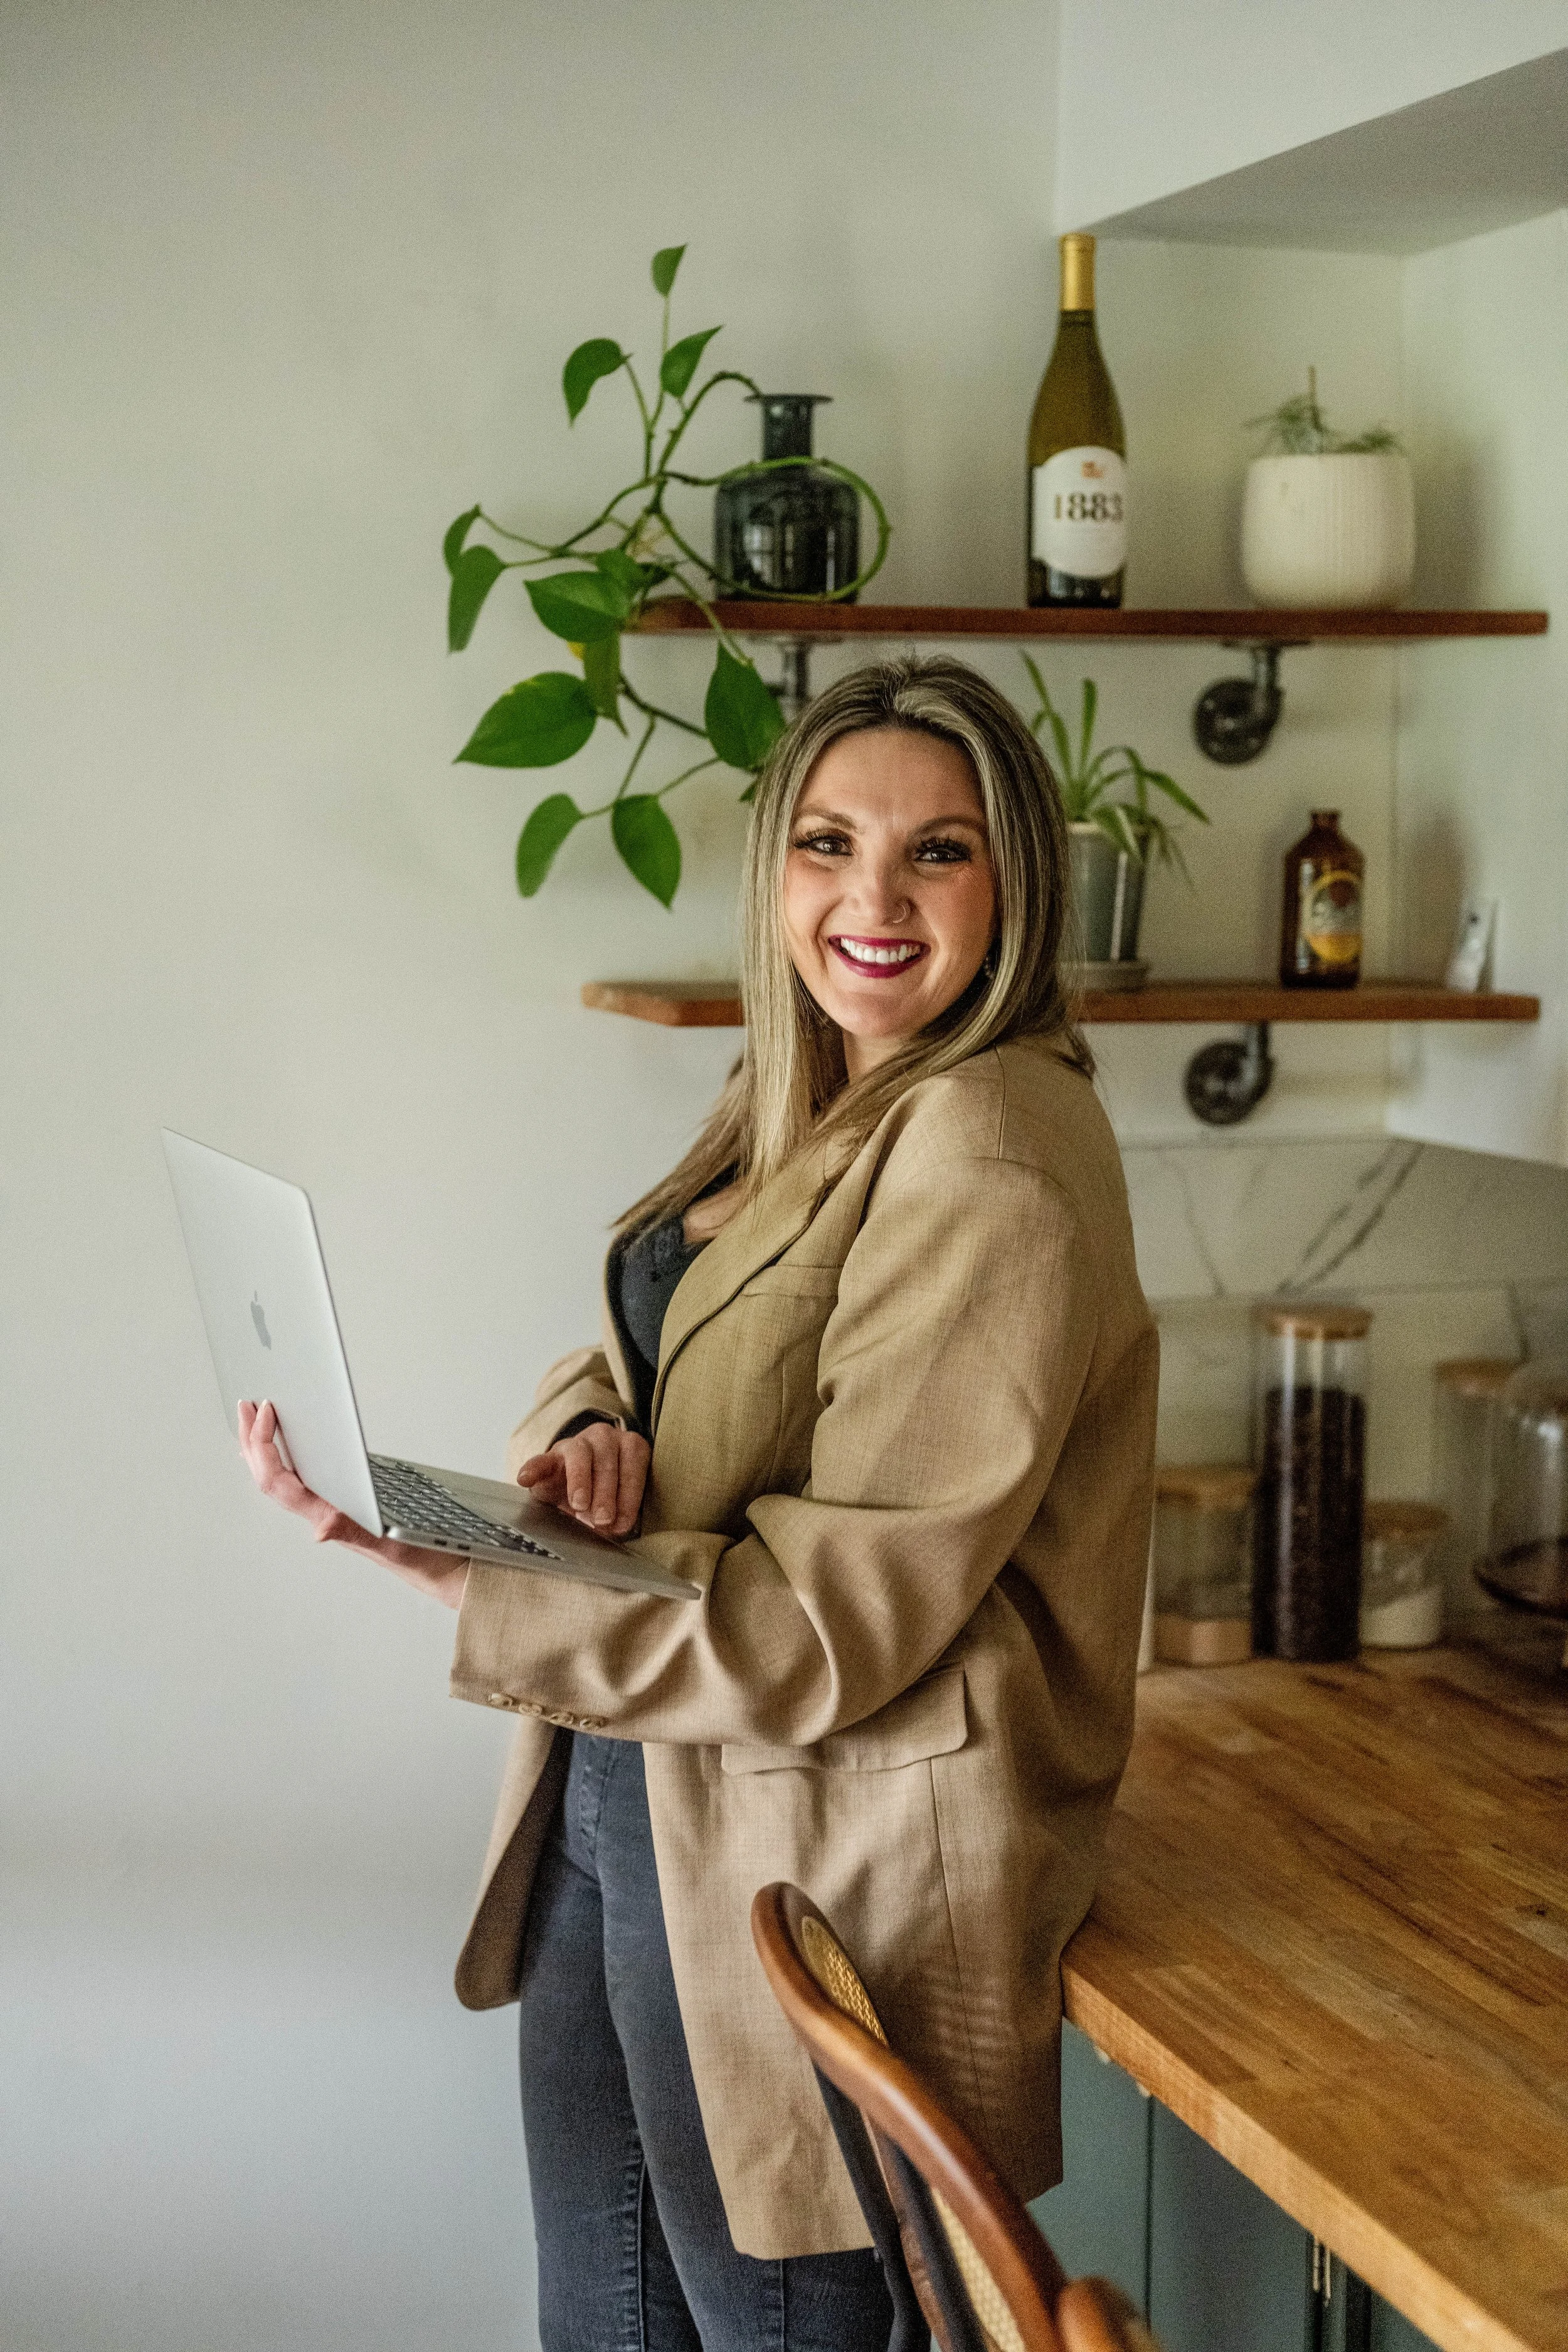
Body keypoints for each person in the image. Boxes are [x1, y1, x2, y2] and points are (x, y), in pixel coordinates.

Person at [240, 654, 1158, 2352]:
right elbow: (640, 1347)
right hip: (637, 1790)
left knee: (780, 2329)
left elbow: (841, 1613)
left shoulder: (990, 1142)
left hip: (813, 1851)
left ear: (1016, 880)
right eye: (825, 842)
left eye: (937, 851)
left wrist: (470, 1584)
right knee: (608, 2321)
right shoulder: (800, 1084)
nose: (869, 898)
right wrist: (585, 1441)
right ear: (775, 874)